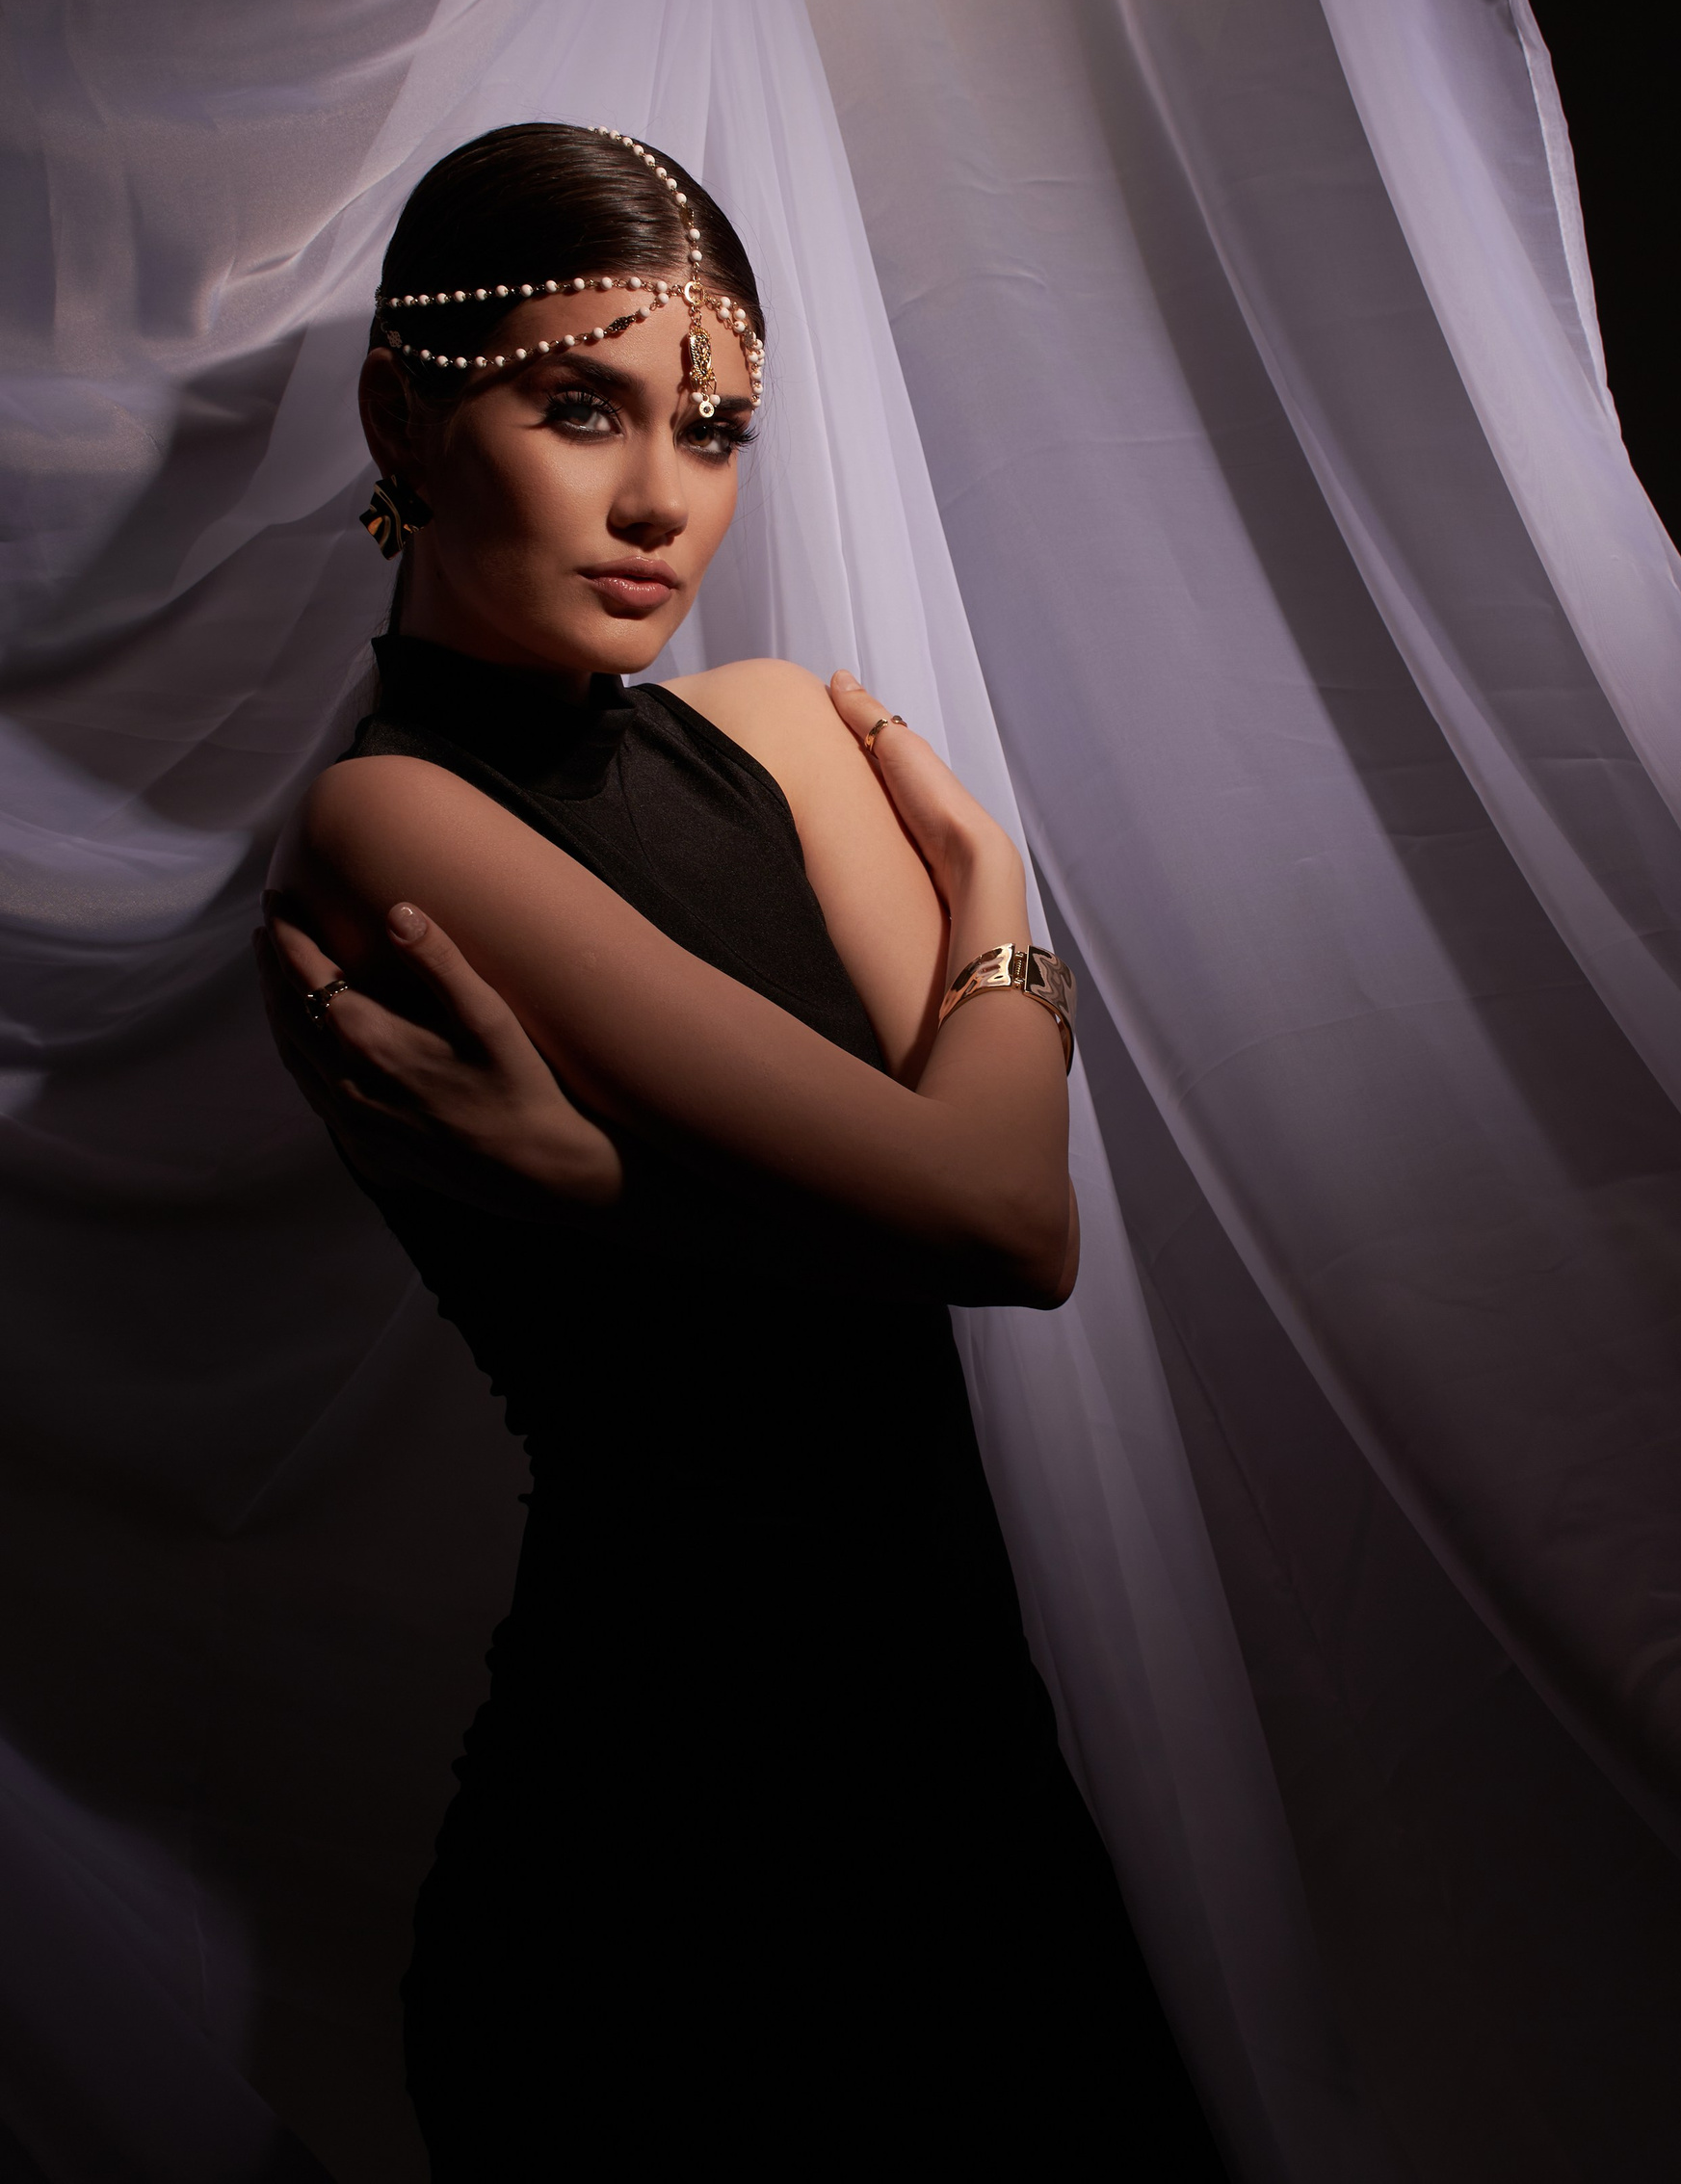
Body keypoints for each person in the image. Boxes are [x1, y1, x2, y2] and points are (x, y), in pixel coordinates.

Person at [260, 124, 1221, 2179]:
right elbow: (1004, 1210)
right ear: (402, 419)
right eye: (578, 408)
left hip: (962, 1766)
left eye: (710, 431)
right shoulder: (391, 823)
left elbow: (990, 1212)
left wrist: (614, 1192)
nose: (659, 499)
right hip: (660, 1839)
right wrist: (995, 897)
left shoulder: (781, 731)